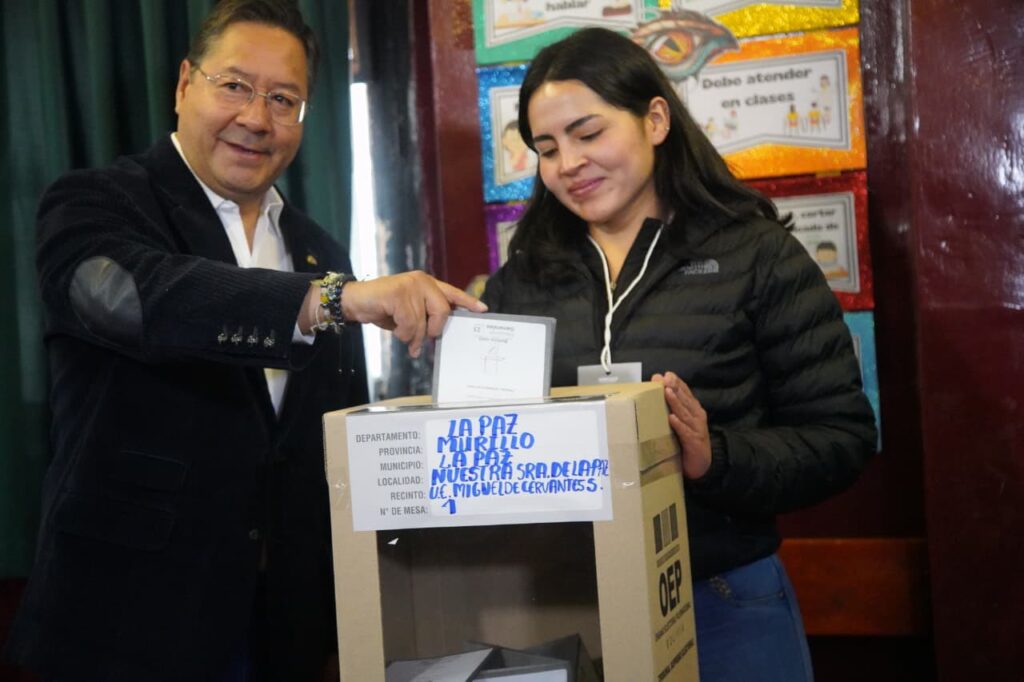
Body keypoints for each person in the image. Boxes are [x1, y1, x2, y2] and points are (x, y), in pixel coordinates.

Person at [3, 2, 485, 681]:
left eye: (283, 99)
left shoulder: (317, 247)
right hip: (128, 624)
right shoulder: (95, 203)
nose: (256, 118)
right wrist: (334, 299)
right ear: (182, 85)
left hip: (282, 628)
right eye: (234, 85)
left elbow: (321, 446)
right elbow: (136, 297)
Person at [481, 27, 876, 682]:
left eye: (588, 133)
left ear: (654, 119)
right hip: (567, 603)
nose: (567, 163)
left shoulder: (758, 256)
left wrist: (714, 457)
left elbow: (842, 438)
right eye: (546, 149)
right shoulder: (524, 278)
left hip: (724, 600)